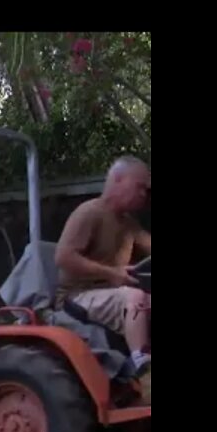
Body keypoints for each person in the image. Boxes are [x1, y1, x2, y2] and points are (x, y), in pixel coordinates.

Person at [54, 155, 152, 373]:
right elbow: (63, 257)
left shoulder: (128, 223)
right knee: (135, 297)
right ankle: (143, 367)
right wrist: (111, 273)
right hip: (77, 296)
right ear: (118, 179)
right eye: (140, 187)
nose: (143, 194)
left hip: (110, 294)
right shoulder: (89, 212)